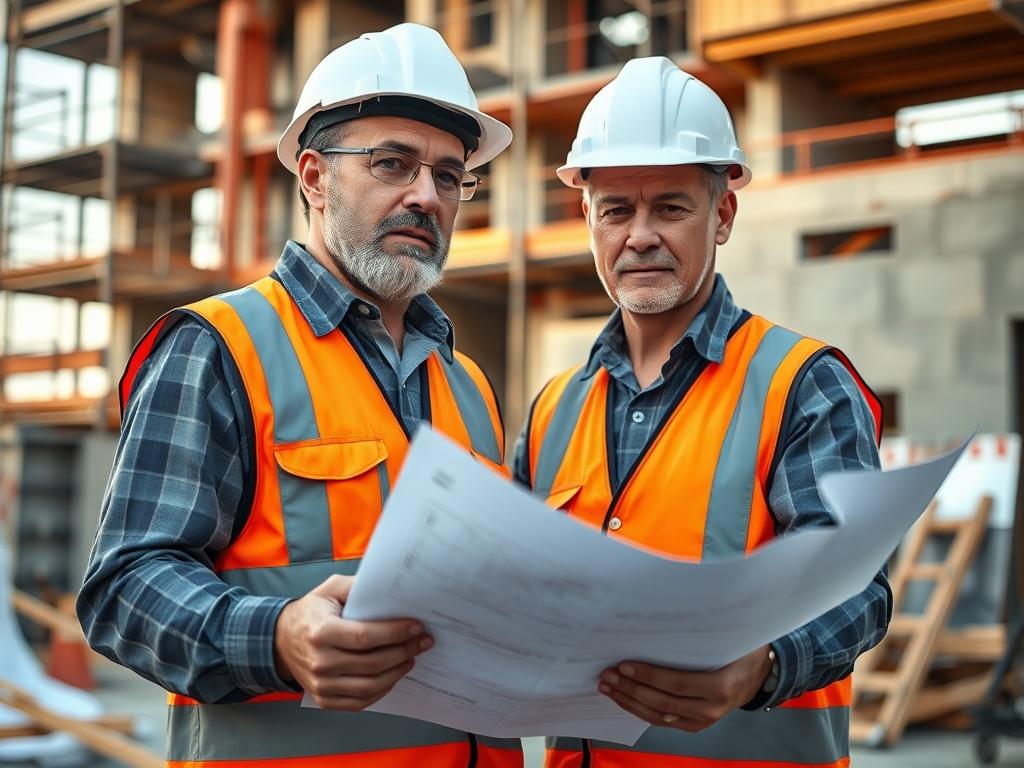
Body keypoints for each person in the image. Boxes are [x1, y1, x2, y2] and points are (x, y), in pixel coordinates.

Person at [78, 23, 523, 768]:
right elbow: (124, 591)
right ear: (314, 178)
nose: (426, 195)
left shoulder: (467, 382)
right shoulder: (219, 346)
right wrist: (277, 636)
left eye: (449, 176)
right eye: (393, 164)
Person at [513, 57, 891, 768]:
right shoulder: (553, 411)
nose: (641, 235)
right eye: (616, 210)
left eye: (671, 207)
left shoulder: (802, 385)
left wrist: (764, 666)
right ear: (587, 218)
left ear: (722, 215)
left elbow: (858, 598)